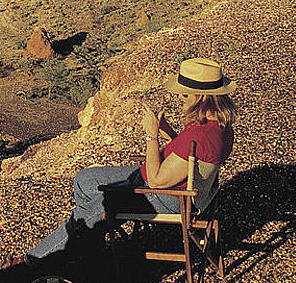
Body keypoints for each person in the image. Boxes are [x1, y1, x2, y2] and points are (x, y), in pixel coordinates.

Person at [14, 57, 238, 267]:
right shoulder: (217, 126)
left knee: (95, 207)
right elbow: (189, 158)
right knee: (84, 179)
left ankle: (33, 260)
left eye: (185, 95)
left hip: (168, 197)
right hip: (174, 185)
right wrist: (168, 131)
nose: (179, 98)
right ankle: (86, 244)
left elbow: (158, 181)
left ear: (203, 97)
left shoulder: (199, 135)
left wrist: (151, 136)